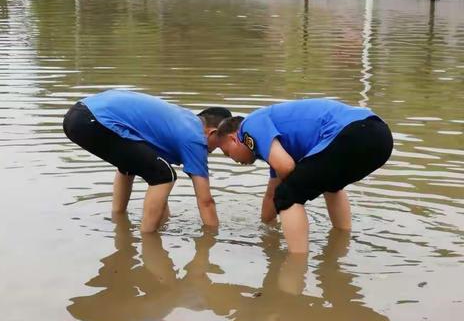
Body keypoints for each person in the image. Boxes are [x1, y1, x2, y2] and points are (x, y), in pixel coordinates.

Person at [217, 99, 393, 253]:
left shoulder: (249, 126)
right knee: (331, 186)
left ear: (234, 139)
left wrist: (294, 202)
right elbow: (271, 194)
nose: (232, 159)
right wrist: (265, 228)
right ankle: (341, 243)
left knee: (287, 195)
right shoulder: (275, 148)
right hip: (381, 137)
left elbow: (286, 170)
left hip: (354, 132)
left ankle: (296, 265)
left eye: (227, 153)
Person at [63, 89, 231, 232]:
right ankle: (148, 240)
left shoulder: (180, 121)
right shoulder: (195, 138)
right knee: (164, 175)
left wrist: (166, 220)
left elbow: (151, 170)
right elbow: (206, 201)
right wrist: (213, 239)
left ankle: (119, 221)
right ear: (212, 132)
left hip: (79, 115)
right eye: (219, 144)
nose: (213, 151)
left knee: (131, 166)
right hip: (94, 120)